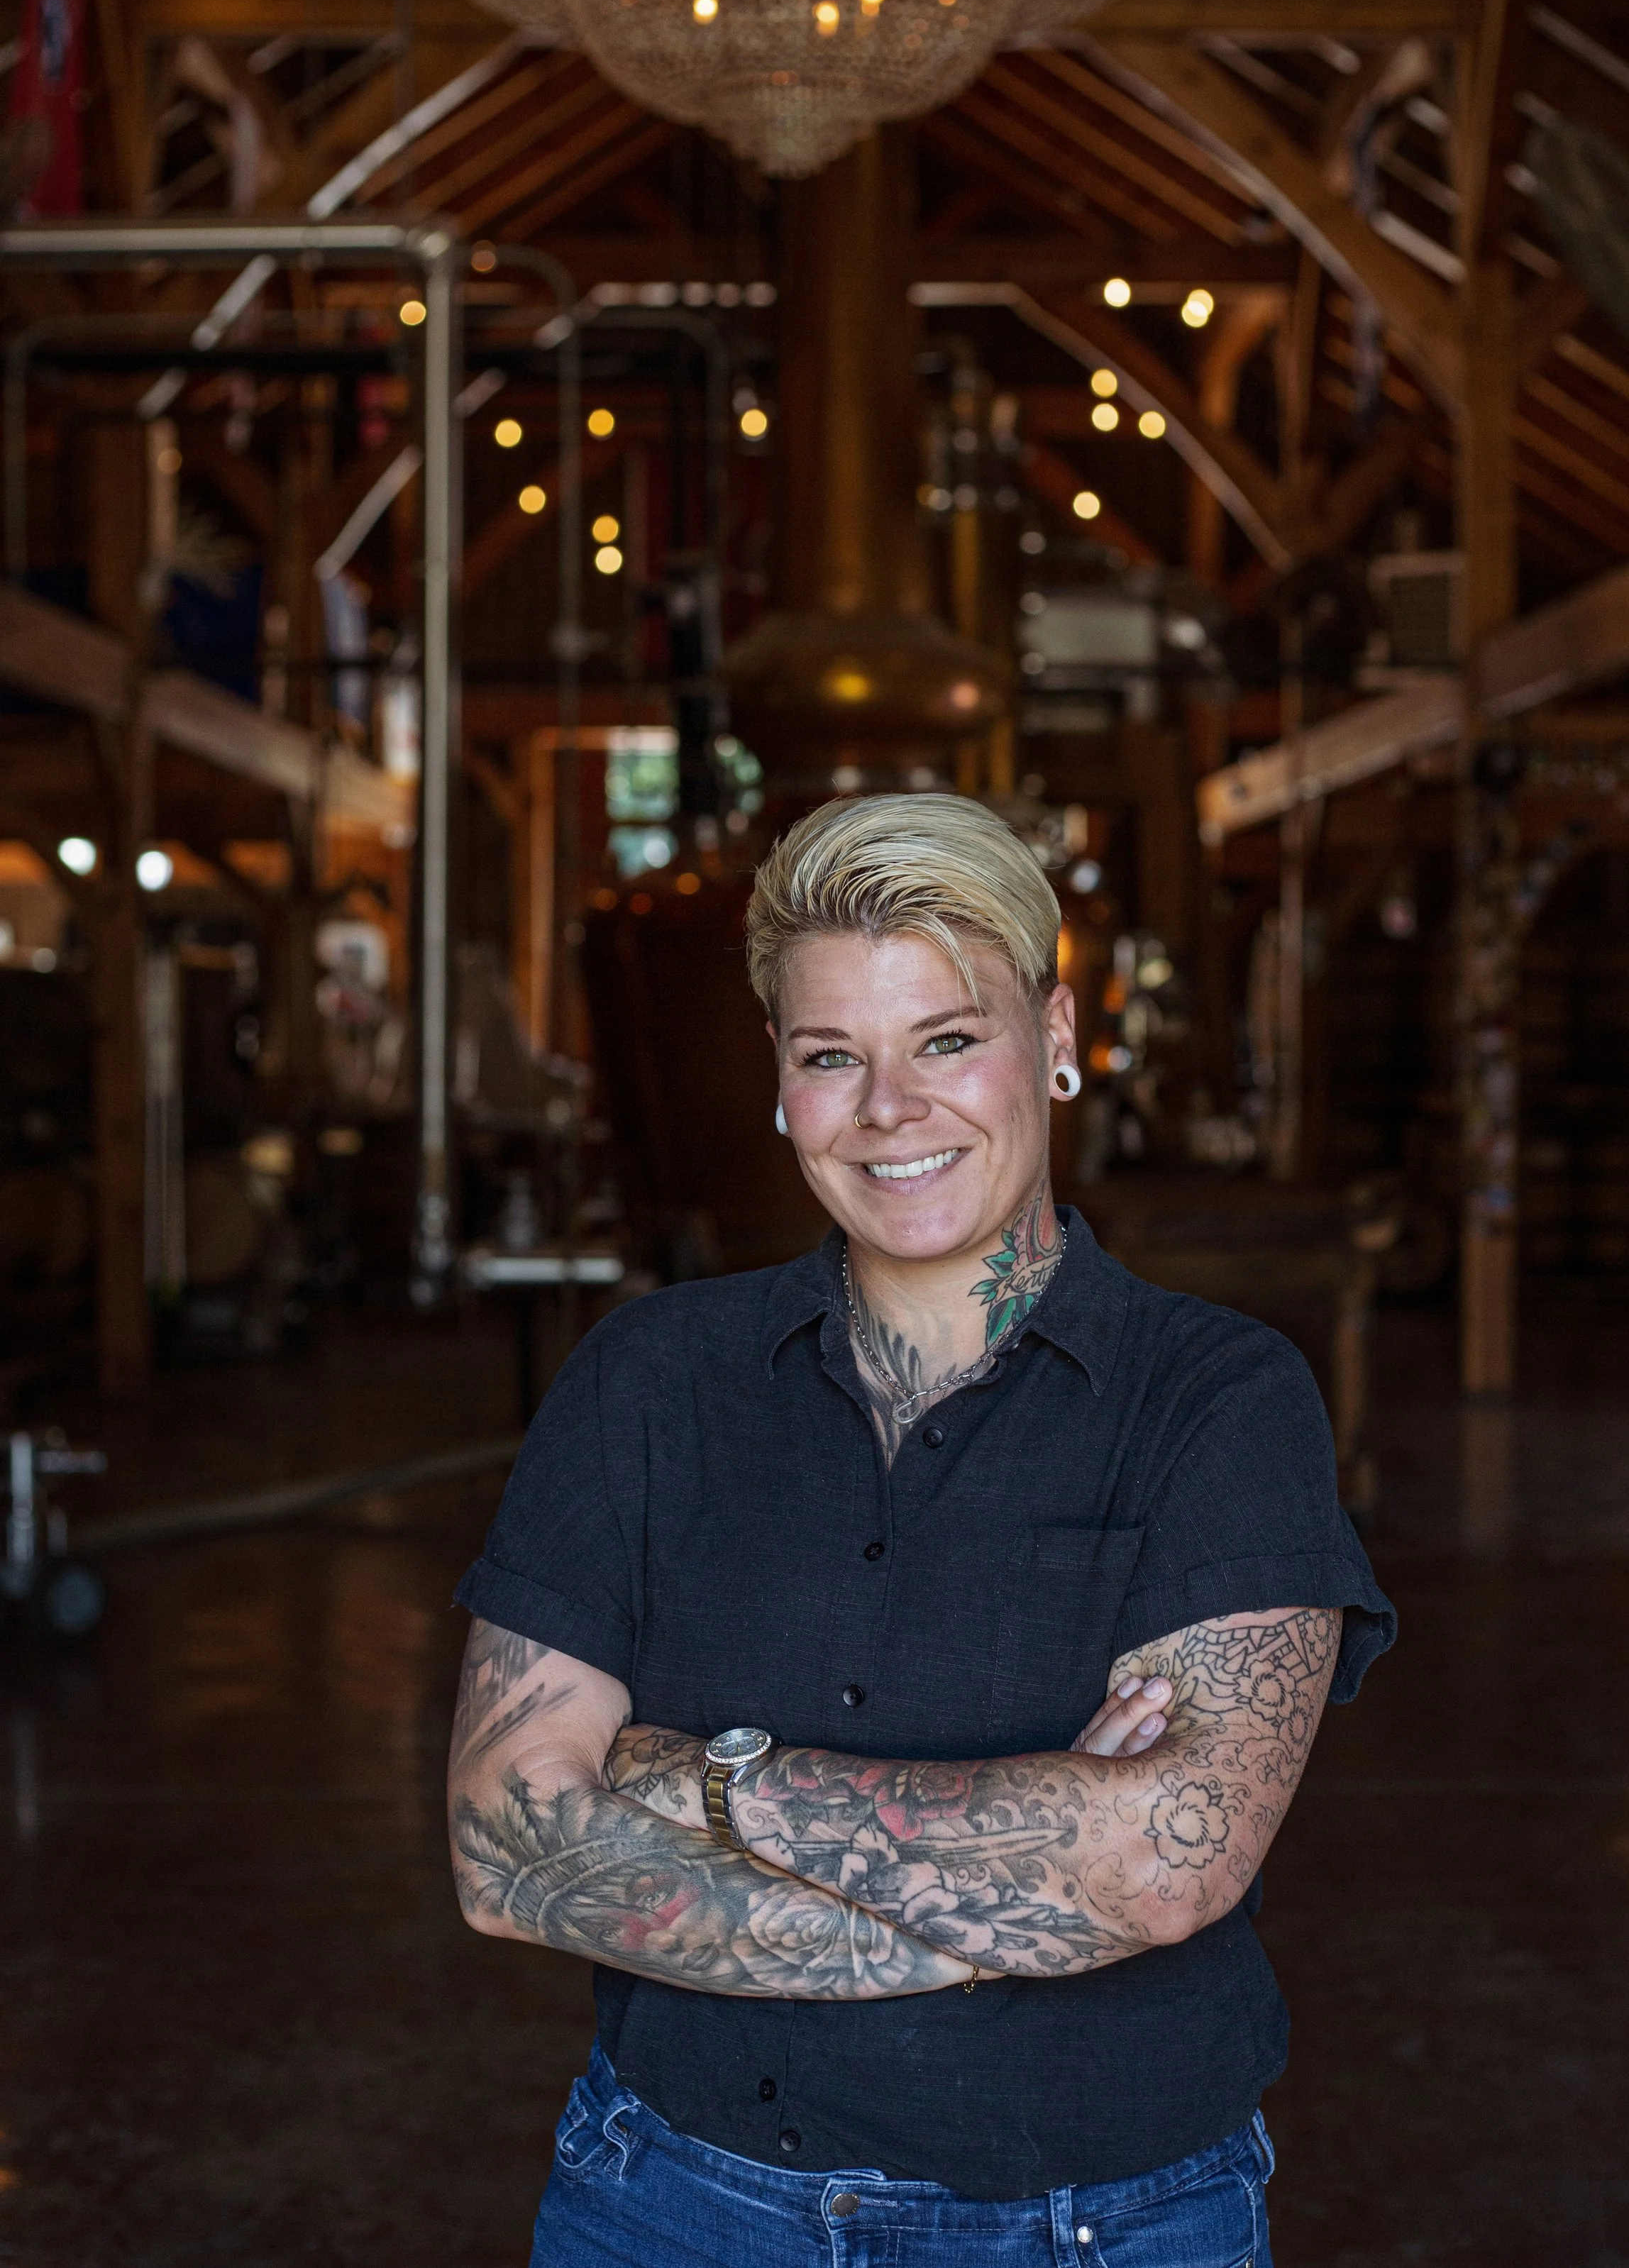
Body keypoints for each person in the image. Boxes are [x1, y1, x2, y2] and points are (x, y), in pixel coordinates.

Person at [451, 792, 1395, 2267]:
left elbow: (1166, 1865)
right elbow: (505, 1850)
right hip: (674, 2206)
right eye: (835, 1056)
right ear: (779, 1082)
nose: (890, 1107)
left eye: (946, 1039)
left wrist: (703, 1780)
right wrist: (1024, 1883)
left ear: (1060, 1035)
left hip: (1097, 2226)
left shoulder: (1218, 1399)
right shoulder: (646, 1380)